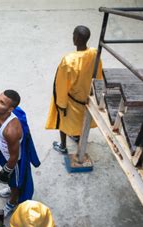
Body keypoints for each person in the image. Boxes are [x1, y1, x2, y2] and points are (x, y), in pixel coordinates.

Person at [45, 25, 103, 154]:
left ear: (76, 38)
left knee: (64, 122)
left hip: (72, 99)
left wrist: (61, 103)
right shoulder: (94, 53)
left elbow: (61, 84)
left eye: (73, 35)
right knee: (82, 119)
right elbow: (98, 73)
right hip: (87, 96)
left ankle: (63, 146)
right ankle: (77, 136)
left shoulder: (69, 60)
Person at [0, 90, 40, 217]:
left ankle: (13, 201)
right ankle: (11, 189)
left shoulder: (11, 131)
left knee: (16, 182)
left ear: (10, 109)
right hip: (4, 153)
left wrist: (6, 171)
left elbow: (14, 157)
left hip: (14, 161)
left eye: (2, 103)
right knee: (12, 182)